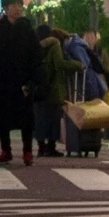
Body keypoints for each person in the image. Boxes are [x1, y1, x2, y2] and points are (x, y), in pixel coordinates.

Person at [0, 0, 37, 164]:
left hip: (23, 81)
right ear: (5, 9)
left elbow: (36, 56)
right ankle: (6, 150)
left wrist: (34, 80)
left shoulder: (28, 29)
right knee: (2, 118)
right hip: (2, 81)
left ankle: (27, 151)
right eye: (13, 5)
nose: (18, 8)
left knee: (26, 118)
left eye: (20, 5)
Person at [32, 23, 71, 159]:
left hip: (37, 88)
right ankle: (51, 147)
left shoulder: (34, 48)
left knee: (39, 118)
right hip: (53, 88)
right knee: (54, 119)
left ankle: (41, 147)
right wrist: (77, 64)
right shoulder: (54, 46)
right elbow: (59, 64)